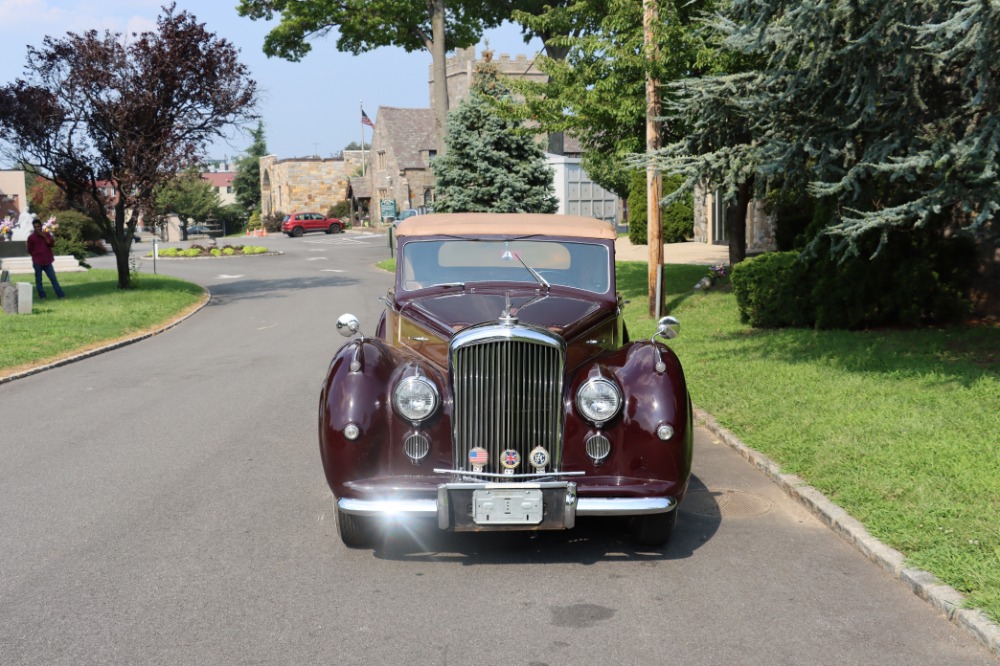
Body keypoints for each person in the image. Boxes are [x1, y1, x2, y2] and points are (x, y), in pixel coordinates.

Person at [26, 218, 65, 299]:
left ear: (41, 226)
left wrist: (44, 236)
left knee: (53, 279)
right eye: (35, 227)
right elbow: (29, 249)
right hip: (37, 261)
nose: (37, 228)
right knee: (39, 280)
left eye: (38, 226)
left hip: (47, 261)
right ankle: (42, 296)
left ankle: (60, 295)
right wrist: (35, 255)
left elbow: (51, 244)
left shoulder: (47, 234)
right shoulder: (31, 237)